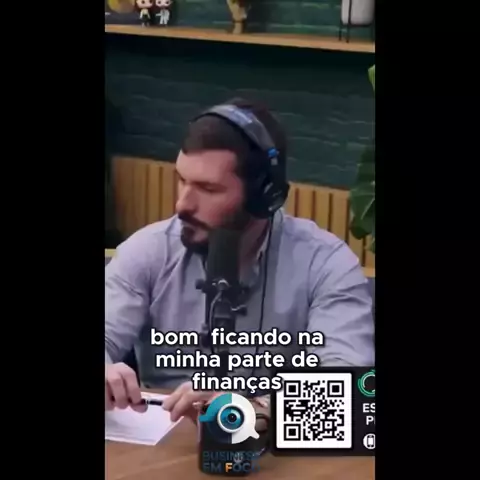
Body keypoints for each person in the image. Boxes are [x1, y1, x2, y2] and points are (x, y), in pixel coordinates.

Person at [105, 98, 374, 425]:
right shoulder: (148, 250)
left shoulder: (326, 264)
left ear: (265, 197)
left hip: (273, 449)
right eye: (182, 180)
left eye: (208, 189)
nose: (182, 205)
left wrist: (252, 409)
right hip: (161, 444)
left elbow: (351, 392)